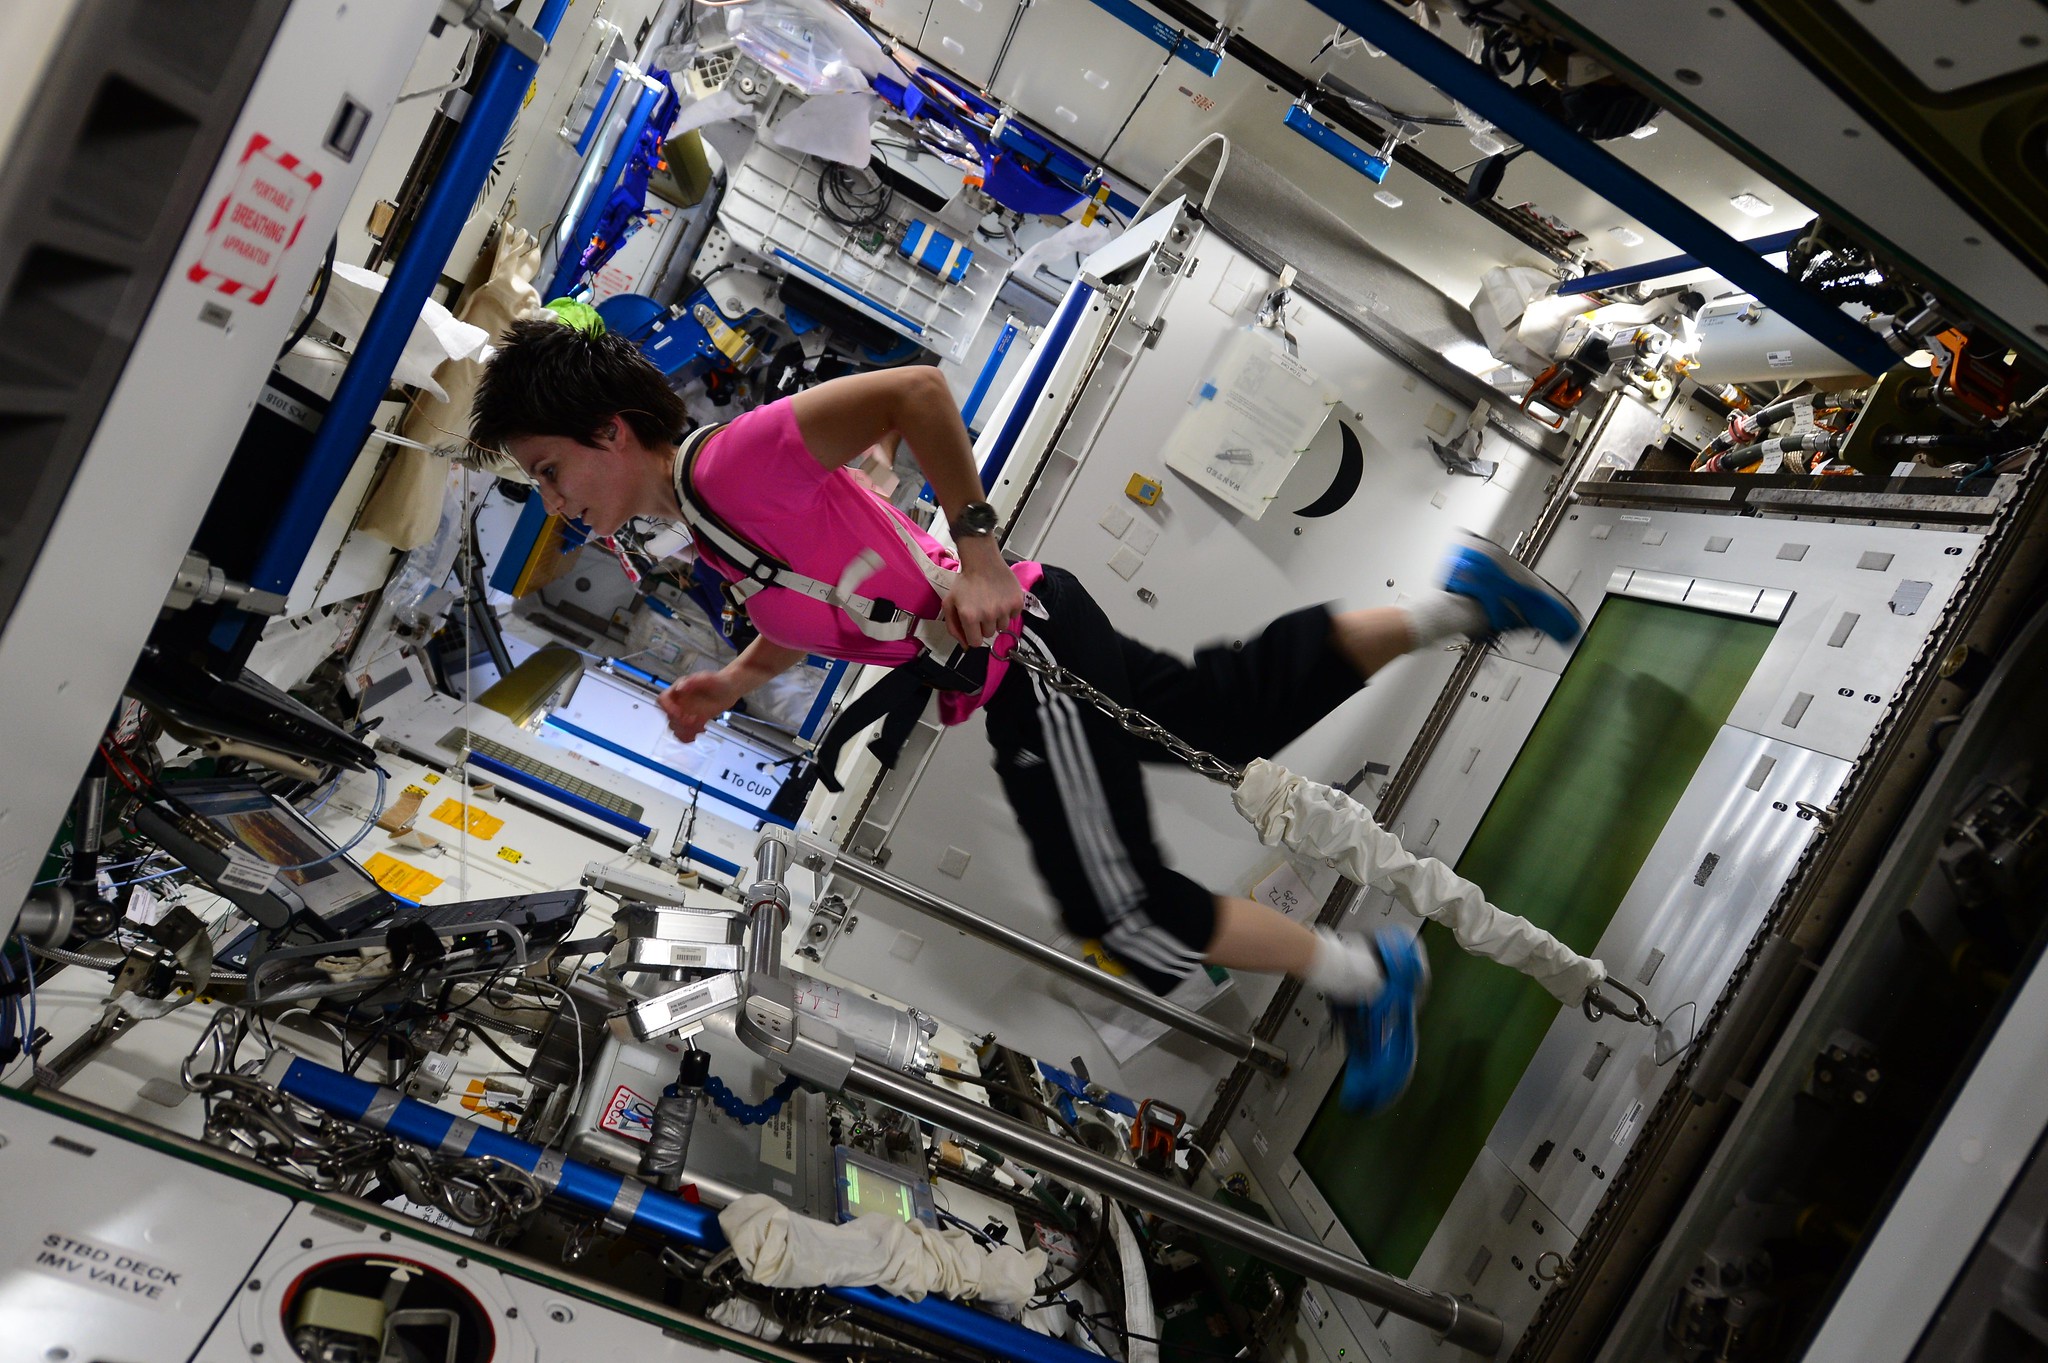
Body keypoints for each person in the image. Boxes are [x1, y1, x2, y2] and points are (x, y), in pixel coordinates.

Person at [470, 320, 1583, 1113]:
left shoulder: (730, 463)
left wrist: (980, 547)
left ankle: (1359, 974)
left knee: (1124, 905)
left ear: (612, 432)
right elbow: (816, 603)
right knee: (1222, 709)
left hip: (1020, 651)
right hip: (1015, 651)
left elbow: (914, 391)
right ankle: (1457, 606)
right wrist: (730, 681)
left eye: (550, 472)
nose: (557, 505)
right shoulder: (708, 525)